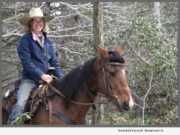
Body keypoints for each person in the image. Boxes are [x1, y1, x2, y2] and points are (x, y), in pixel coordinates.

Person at [8, 7, 63, 124]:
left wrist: (62, 79)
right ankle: (11, 126)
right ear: (30, 23)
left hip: (48, 79)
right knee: (20, 104)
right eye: (35, 21)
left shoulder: (48, 42)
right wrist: (42, 75)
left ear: (44, 23)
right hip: (30, 79)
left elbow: (55, 63)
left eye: (40, 21)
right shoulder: (25, 41)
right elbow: (27, 64)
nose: (38, 23)